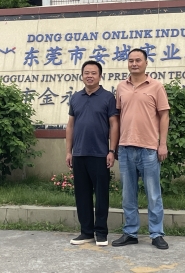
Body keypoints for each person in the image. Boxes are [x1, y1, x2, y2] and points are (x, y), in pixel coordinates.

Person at [112, 48, 170, 250]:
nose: (134, 63)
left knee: (153, 194)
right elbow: (117, 117)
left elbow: (164, 115)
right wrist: (114, 146)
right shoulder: (121, 87)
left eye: (138, 60)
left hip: (148, 149)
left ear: (146, 63)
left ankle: (157, 234)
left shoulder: (156, 86)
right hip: (126, 148)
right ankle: (130, 232)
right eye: (131, 60)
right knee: (128, 195)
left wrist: (162, 144)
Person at [66, 60, 119, 246]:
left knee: (102, 194)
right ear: (82, 76)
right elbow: (70, 125)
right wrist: (69, 151)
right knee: (82, 194)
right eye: (86, 73)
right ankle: (86, 232)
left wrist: (112, 150)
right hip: (79, 153)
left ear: (100, 76)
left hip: (100, 154)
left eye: (93, 73)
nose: (89, 76)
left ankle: (101, 233)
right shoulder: (75, 98)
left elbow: (114, 124)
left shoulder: (108, 98)